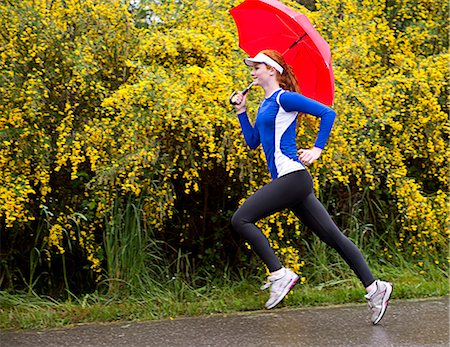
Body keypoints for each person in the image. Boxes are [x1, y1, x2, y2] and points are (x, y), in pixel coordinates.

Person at [230, 49, 392, 325]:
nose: (252, 72)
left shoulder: (284, 98)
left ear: (272, 70)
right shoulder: (265, 105)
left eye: (256, 67)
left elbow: (328, 113)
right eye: (252, 68)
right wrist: (242, 111)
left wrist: (317, 148)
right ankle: (375, 287)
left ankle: (280, 274)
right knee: (333, 237)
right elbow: (253, 142)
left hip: (292, 178)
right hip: (293, 182)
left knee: (241, 219)